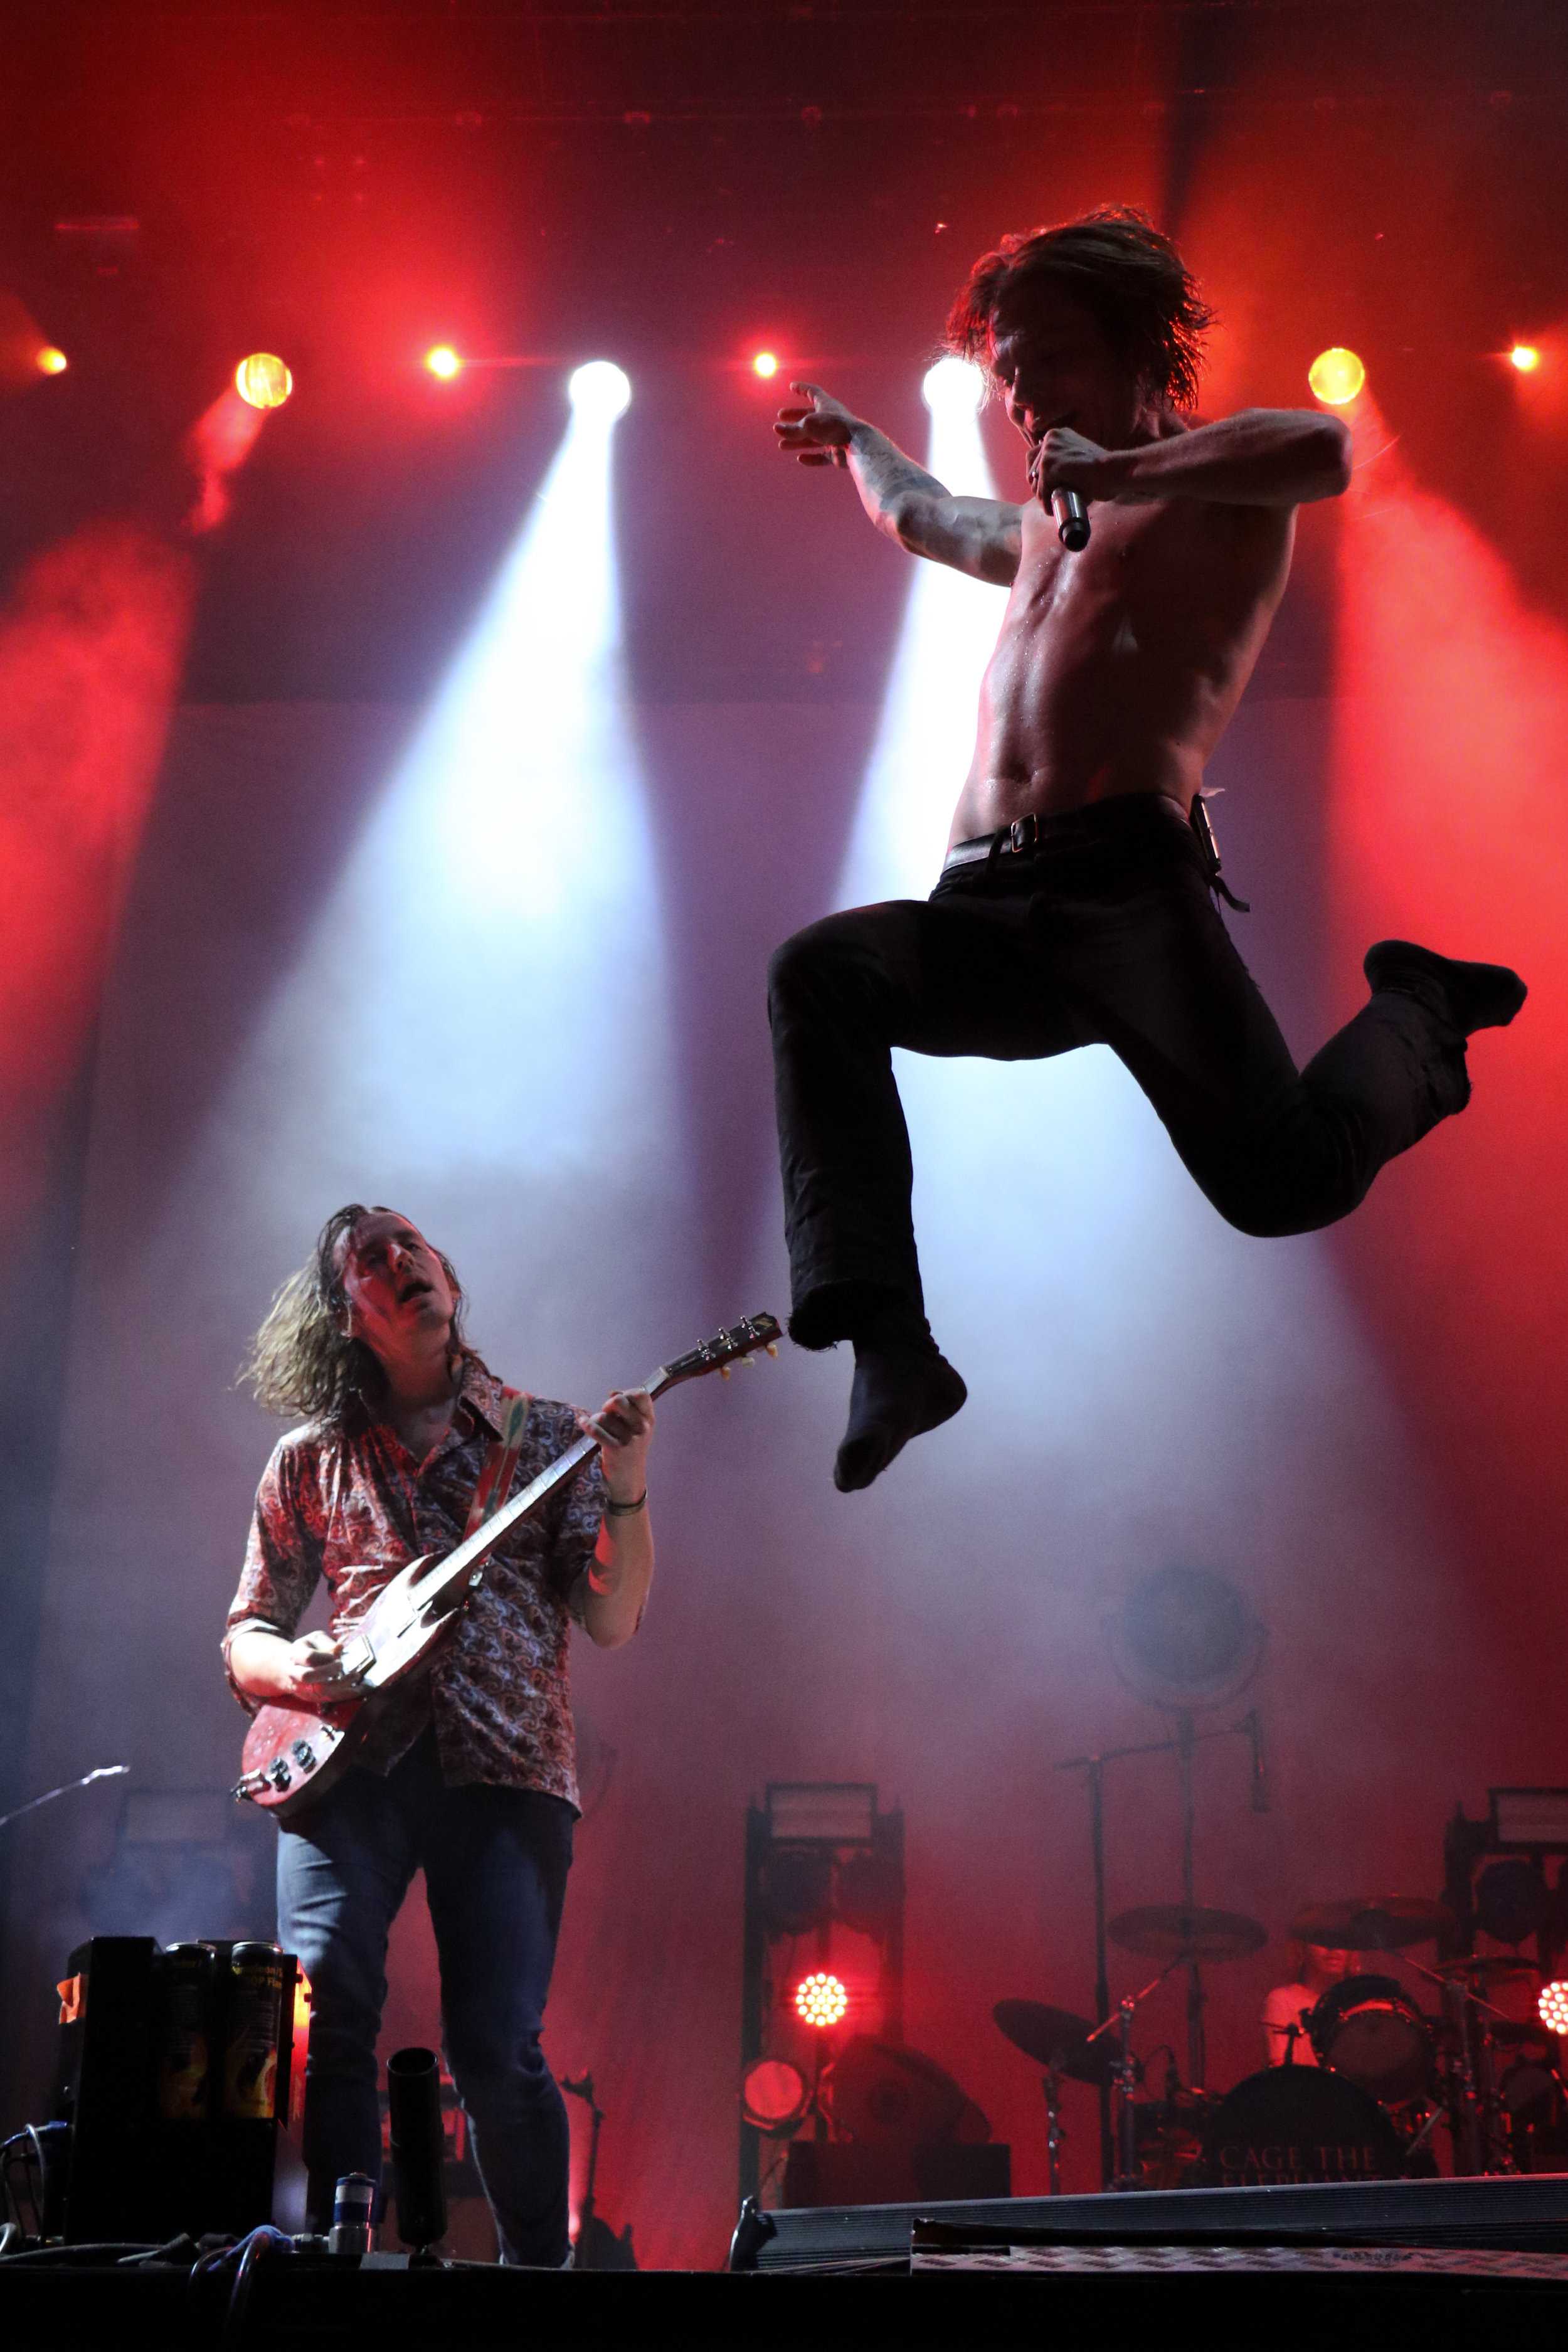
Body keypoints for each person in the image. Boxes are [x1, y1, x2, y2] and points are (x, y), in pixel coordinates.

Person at [768, 208, 1526, 1491]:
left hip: (1122, 889)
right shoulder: (1032, 538)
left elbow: (1323, 448)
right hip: (982, 904)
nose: (1016, 394)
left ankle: (1418, 1007)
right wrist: (859, 438)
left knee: (1280, 1184)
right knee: (819, 970)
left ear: (1133, 355)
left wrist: (1116, 478)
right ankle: (890, 1346)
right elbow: (912, 515)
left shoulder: (1219, 491)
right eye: (1004, 369)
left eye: (1044, 359)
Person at [223, 1204, 655, 2265]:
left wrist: (630, 1489)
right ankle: (337, 2252)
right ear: (348, 1314)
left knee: (496, 2045)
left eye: (413, 1247)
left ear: (447, 1282)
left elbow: (609, 1618)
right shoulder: (308, 1461)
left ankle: (534, 2274)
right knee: (329, 2010)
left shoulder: (544, 1435)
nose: (403, 1263)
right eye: (373, 1261)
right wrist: (303, 1666)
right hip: (348, 1764)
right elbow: (248, 1636)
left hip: (503, 1761)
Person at [1262, 1943, 1362, 2067]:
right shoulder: (1283, 2000)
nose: (1333, 1947)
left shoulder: (1360, 2004)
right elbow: (1282, 2072)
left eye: (1340, 1939)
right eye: (1321, 1939)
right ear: (1302, 1947)